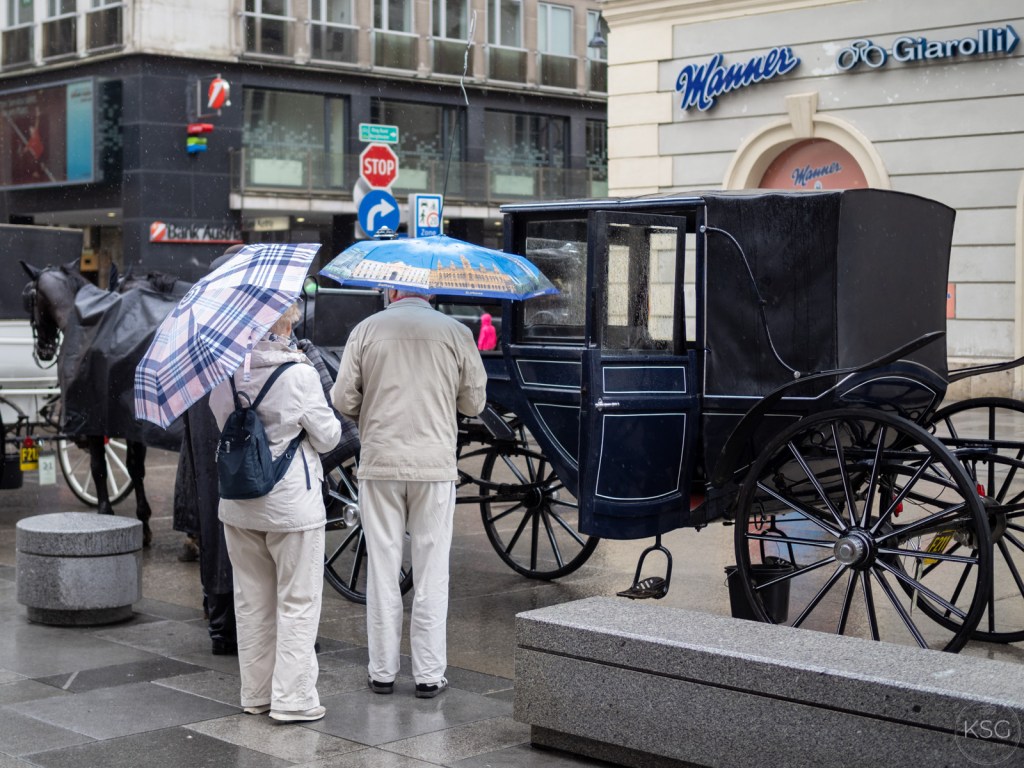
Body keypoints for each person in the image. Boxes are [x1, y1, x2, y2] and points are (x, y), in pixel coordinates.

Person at [331, 288, 487, 698]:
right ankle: (429, 674)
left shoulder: (366, 330)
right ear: (430, 290)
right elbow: (474, 404)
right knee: (432, 569)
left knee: (382, 568)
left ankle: (382, 671)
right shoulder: (456, 332)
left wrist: (371, 407)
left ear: (391, 289)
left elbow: (343, 398)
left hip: (380, 462)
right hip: (434, 465)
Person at [209, 301, 341, 723]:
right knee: (297, 600)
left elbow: (222, 420)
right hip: (291, 505)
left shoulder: (225, 374)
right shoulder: (300, 374)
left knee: (251, 601)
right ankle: (293, 699)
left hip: (238, 503)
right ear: (286, 325)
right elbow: (329, 437)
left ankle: (257, 693)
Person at [172, 244, 245, 652]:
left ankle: (220, 624)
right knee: (247, 529)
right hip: (235, 436)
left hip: (203, 438)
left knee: (214, 522)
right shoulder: (245, 323)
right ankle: (239, 623)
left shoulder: (196, 319)